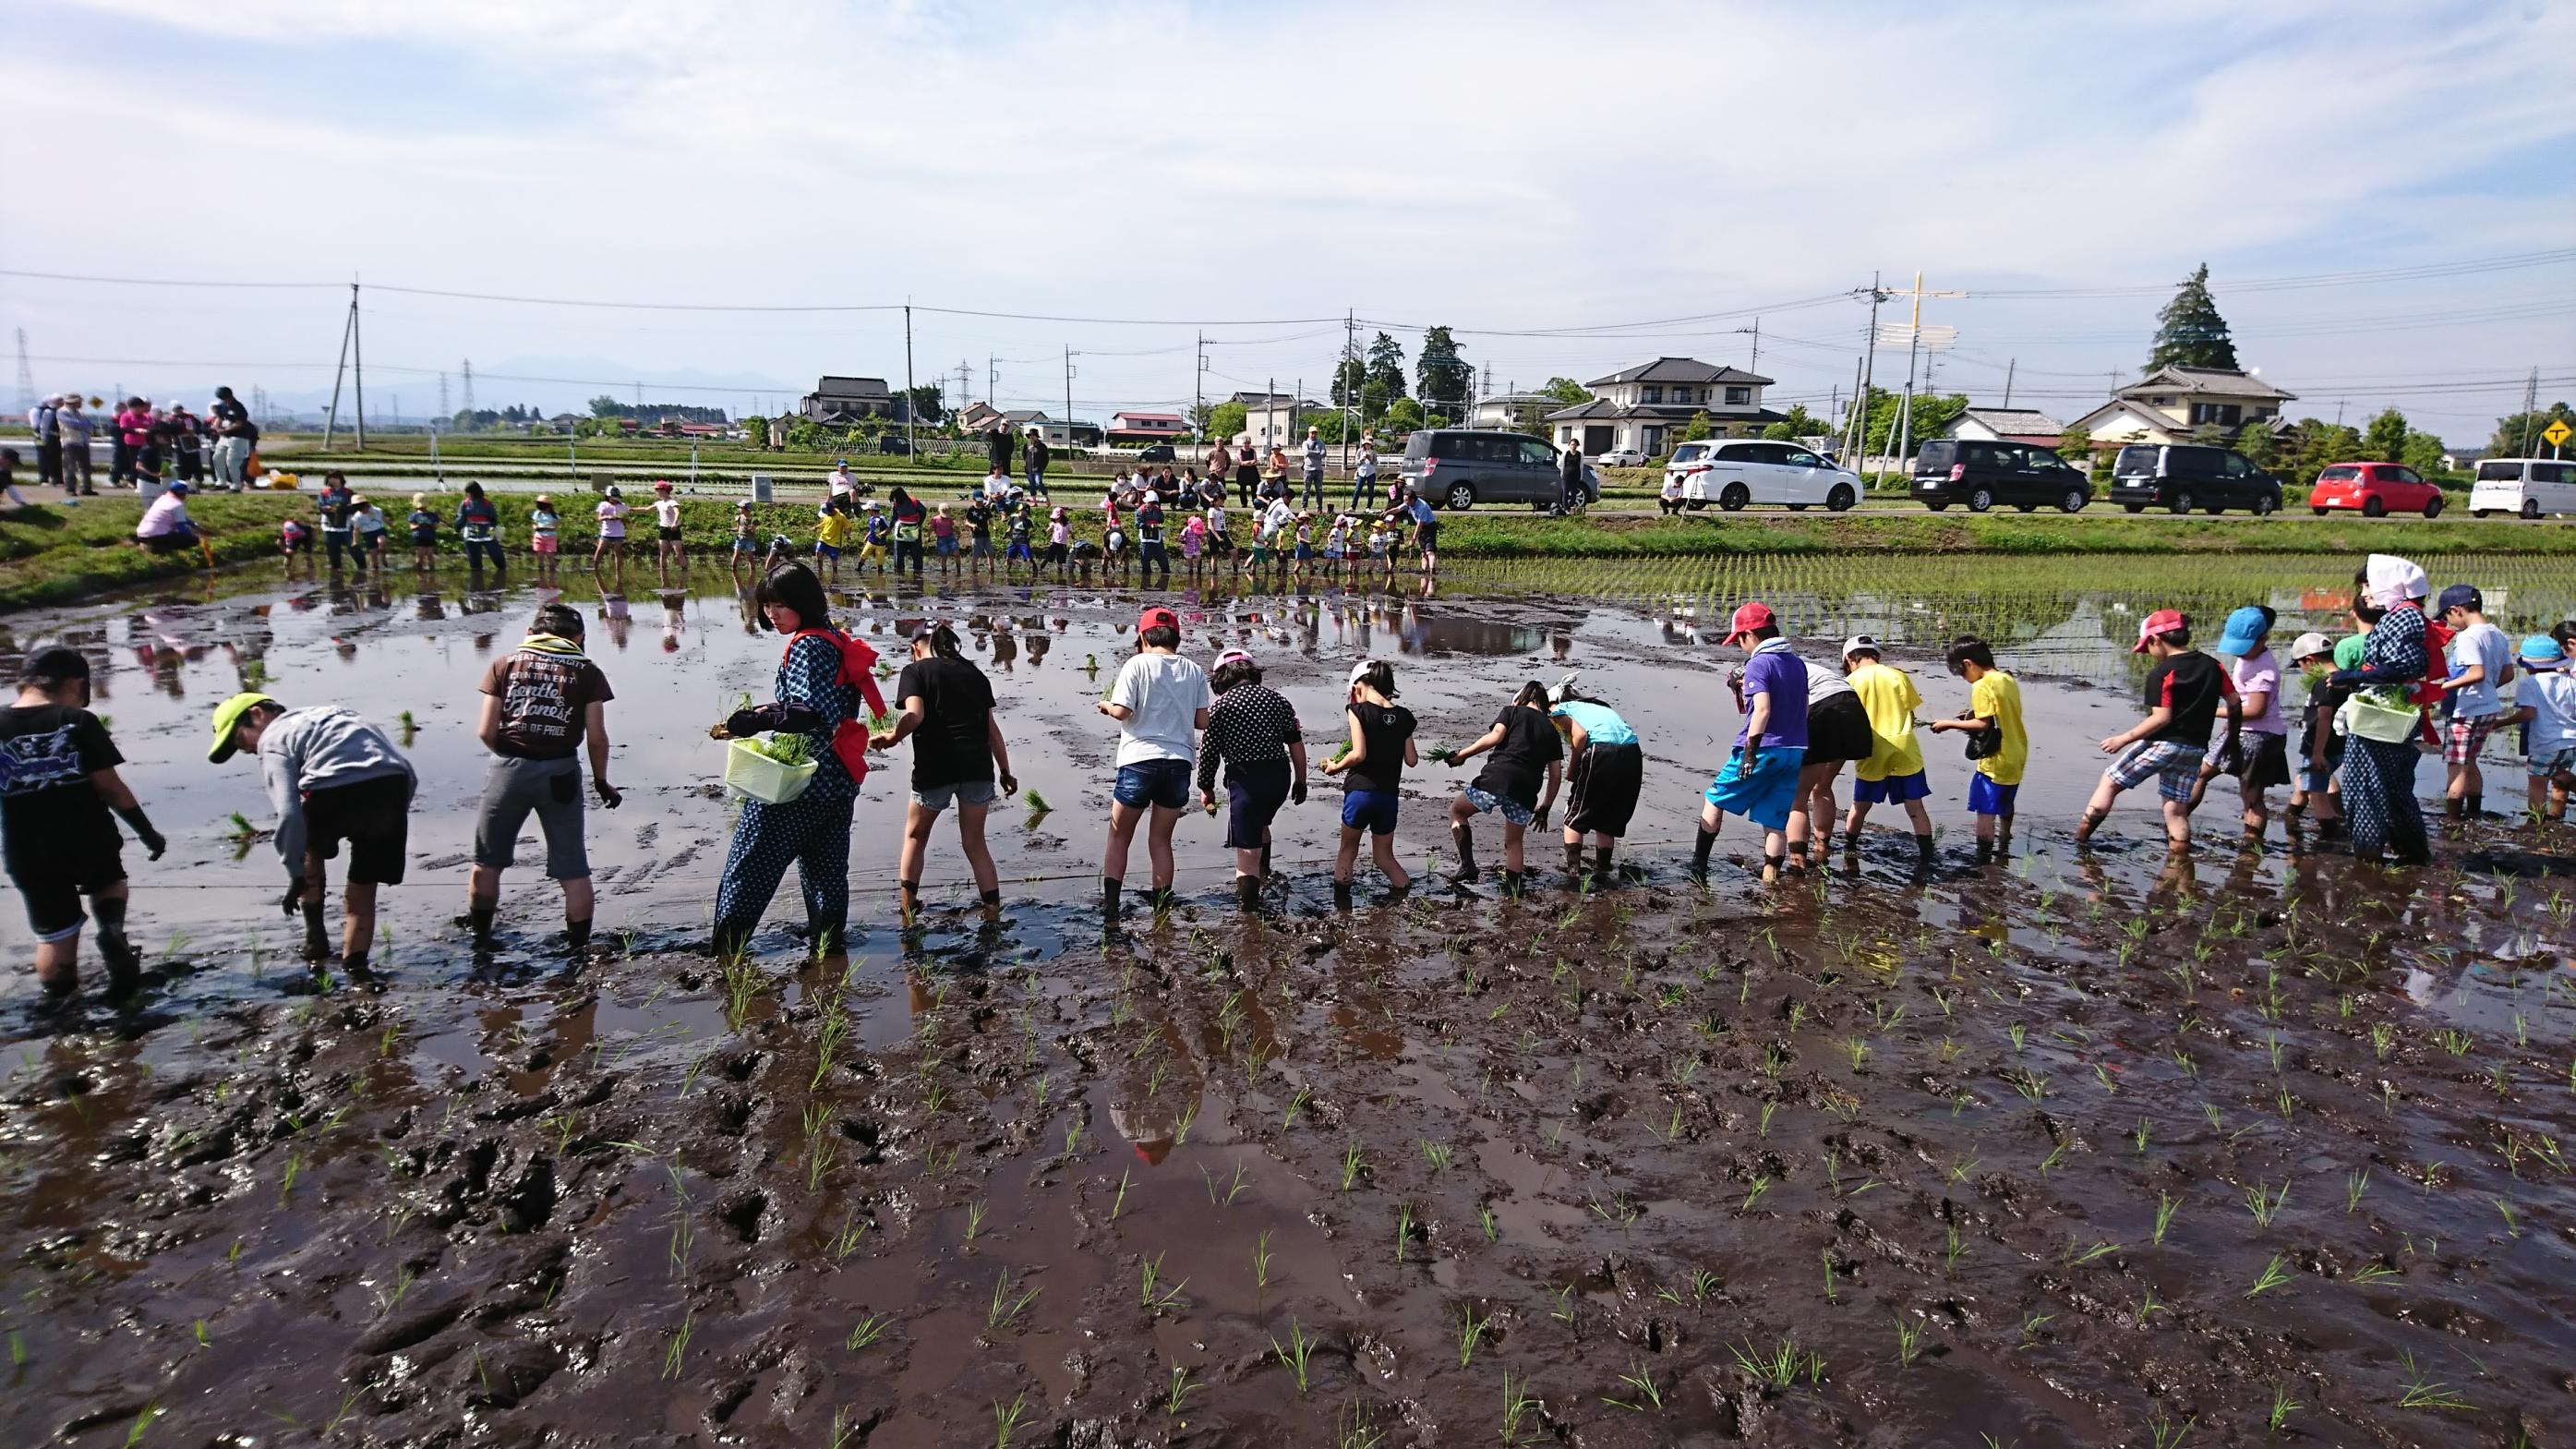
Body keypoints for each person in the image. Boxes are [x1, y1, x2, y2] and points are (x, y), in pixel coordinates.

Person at [710, 562, 887, 956]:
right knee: (826, 870)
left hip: (798, 780)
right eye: (767, 605)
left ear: (803, 603)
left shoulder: (808, 644)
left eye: (779, 605)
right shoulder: (834, 638)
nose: (771, 614)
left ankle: (726, 952)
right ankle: (828, 951)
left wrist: (756, 719)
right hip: (839, 778)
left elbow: (810, 713)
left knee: (752, 863)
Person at [209, 691, 415, 971]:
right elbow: (404, 770)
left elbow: (289, 812)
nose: (246, 750)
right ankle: (356, 969)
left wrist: (294, 873)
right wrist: (393, 817)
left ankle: (315, 940)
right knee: (362, 890)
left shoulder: (272, 738)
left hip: (334, 789)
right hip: (391, 787)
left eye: (240, 739)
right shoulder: (338, 714)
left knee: (308, 847)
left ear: (258, 714)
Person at [5, 648, 166, 1000]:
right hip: (87, 835)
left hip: (27, 848)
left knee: (54, 932)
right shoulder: (77, 721)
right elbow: (109, 787)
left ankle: (61, 1005)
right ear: (77, 684)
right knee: (110, 883)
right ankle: (111, 930)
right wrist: (147, 832)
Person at [468, 603, 622, 949]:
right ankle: (578, 948)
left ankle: (480, 940)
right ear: (579, 638)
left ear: (530, 634)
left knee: (487, 862)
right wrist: (601, 781)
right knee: (573, 867)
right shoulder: (588, 673)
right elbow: (596, 736)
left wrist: (510, 758)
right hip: (561, 773)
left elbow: (485, 730)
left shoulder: (503, 665)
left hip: (508, 768)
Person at [871, 622, 1017, 924]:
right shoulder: (975, 674)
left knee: (915, 836)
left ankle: (908, 909)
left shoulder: (916, 672)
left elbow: (915, 715)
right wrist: (1005, 771)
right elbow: (992, 730)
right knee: (975, 842)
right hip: (977, 768)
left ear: (915, 648)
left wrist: (892, 738)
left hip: (935, 768)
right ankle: (992, 912)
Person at [2077, 609, 2243, 853]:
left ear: (2156, 640)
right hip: (2195, 748)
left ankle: (2079, 840)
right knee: (2175, 809)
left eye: (2149, 648)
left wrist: (2123, 738)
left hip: (2163, 744)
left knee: (2110, 781)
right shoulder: (2213, 666)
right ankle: (2181, 861)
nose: (2151, 655)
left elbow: (2161, 719)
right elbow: (2235, 702)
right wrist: (2233, 739)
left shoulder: (2163, 673)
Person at [1097, 606, 1211, 921]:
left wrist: (1106, 706)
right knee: (1161, 840)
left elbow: (1123, 711)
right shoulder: (1194, 670)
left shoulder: (1136, 665)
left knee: (1119, 835)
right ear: (1176, 638)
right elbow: (1203, 721)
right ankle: (1162, 909)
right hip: (1178, 764)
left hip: (1139, 760)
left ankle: (1110, 910)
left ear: (1143, 637)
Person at [2326, 557, 2435, 864]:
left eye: (2369, 585)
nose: (2365, 593)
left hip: (2383, 714)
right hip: (2391, 710)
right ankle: (2412, 853)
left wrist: (2354, 676)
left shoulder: (2402, 617)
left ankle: (2369, 857)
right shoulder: (2401, 614)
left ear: (2392, 584)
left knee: (2366, 786)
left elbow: (2403, 666)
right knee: (2394, 787)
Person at [1694, 602, 1808, 884]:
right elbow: (1801, 707)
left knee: (1714, 798)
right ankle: (1770, 879)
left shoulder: (1758, 662)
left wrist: (1749, 752)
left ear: (1750, 634)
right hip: (1794, 750)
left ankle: (1698, 867)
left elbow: (1764, 709)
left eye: (1739, 640)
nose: (1740, 646)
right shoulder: (1797, 663)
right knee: (1774, 818)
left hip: (1764, 748)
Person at [1195, 649, 1306, 909]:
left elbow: (1208, 752)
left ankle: (1248, 914)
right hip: (1279, 777)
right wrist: (1301, 781)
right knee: (1261, 823)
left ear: (1221, 678)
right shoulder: (1278, 700)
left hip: (1246, 782)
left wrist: (1206, 787)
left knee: (1246, 852)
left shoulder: (1221, 706)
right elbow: (1296, 744)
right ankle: (1264, 876)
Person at [1444, 680, 1563, 896]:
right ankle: (1513, 892)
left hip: (1497, 778)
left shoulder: (1511, 712)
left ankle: (1468, 865)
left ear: (1521, 698)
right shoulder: (1552, 731)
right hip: (1527, 791)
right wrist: (1545, 807)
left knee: (1458, 811)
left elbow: (1494, 737)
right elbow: (1556, 776)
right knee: (1514, 842)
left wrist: (1462, 755)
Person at [1318, 659, 1416, 908]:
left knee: (1347, 851)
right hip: (1388, 797)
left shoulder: (1357, 712)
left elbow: (1358, 753)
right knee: (1384, 857)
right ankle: (1404, 900)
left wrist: (1334, 766)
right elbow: (1412, 760)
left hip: (1360, 792)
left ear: (1361, 685)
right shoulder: (1404, 716)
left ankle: (1342, 909)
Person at [2189, 606, 2289, 849]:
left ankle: (2252, 845)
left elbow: (2256, 710)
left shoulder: (2263, 670)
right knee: (2202, 773)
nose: (2240, 653)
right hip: (2243, 731)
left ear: (2263, 639)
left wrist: (2211, 711)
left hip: (2258, 737)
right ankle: (2176, 818)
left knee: (2252, 795)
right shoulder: (2249, 659)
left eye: (2245, 646)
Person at [1840, 634, 1937, 863]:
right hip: (1905, 747)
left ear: (1850, 659)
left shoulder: (1851, 682)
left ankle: (1850, 848)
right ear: (1877, 656)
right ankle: (1927, 856)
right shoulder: (1897, 675)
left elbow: (1848, 720)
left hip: (1872, 748)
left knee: (1860, 806)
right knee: (1915, 808)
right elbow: (1911, 715)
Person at [1927, 637, 2027, 859]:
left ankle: (1984, 858)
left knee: (1985, 811)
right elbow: (2000, 714)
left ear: (1969, 663)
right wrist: (1968, 716)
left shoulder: (1982, 685)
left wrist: (1949, 723)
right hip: (2017, 751)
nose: (1965, 679)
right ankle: (2005, 839)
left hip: (1996, 759)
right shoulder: (2007, 679)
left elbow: (1983, 723)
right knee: (2006, 800)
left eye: (1962, 673)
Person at [1788, 646, 1871, 867]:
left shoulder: (1768, 670)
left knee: (1798, 794)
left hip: (1823, 707)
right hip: (1851, 707)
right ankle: (1821, 846)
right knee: (1822, 785)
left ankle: (1798, 861)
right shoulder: (1807, 667)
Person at [2436, 583, 2510, 822]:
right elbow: (2507, 675)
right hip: (2488, 708)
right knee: (2470, 762)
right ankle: (2474, 812)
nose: (2449, 622)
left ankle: (2453, 820)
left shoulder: (2468, 637)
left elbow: (2476, 673)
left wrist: (2439, 689)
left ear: (2457, 610)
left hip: (2465, 710)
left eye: (2447, 616)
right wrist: (2488, 688)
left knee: (2456, 766)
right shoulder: (2496, 633)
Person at [2282, 631, 2347, 843]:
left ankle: (2332, 838)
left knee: (2316, 793)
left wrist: (2317, 753)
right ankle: (2291, 822)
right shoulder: (2346, 678)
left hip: (2321, 749)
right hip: (2339, 745)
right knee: (2303, 783)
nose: (2301, 670)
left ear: (2309, 660)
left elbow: (2323, 718)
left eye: (2300, 664)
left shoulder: (2323, 684)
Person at [2506, 634, 2576, 825]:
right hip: (2571, 743)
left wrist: (2499, 723)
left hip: (2544, 744)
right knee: (2561, 774)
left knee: (2537, 783)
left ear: (2528, 666)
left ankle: (2535, 822)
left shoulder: (2530, 684)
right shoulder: (2570, 681)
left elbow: (2528, 713)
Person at [133, 481, 205, 556]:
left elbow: (180, 517)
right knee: (193, 540)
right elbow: (181, 528)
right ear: (182, 494)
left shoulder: (162, 499)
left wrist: (193, 524)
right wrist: (195, 536)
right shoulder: (177, 504)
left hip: (142, 534)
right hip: (157, 536)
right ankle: (166, 550)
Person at [209, 386, 256, 491]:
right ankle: (221, 482)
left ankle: (236, 485)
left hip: (238, 437)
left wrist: (226, 430)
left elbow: (239, 423)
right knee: (217, 457)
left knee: (232, 461)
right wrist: (216, 426)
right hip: (224, 437)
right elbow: (220, 418)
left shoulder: (238, 407)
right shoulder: (222, 406)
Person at [56, 396, 95, 496]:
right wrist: (83, 425)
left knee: (85, 467)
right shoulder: (62, 412)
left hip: (83, 442)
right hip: (70, 441)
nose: (81, 404)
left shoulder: (80, 413)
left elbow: (90, 425)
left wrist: (83, 425)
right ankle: (70, 489)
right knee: (70, 467)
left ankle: (86, 488)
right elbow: (71, 424)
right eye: (79, 402)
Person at [650, 480, 686, 585]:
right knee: (663, 553)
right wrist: (631, 509)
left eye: (657, 489)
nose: (656, 491)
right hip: (664, 529)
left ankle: (684, 573)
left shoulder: (672, 502)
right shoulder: (659, 503)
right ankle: (664, 578)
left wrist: (674, 523)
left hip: (673, 529)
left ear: (664, 490)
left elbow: (677, 512)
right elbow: (647, 509)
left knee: (678, 552)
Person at [889, 486, 928, 579]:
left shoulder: (908, 502)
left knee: (900, 554)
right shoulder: (911, 502)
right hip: (912, 530)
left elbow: (894, 517)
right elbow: (923, 512)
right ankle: (918, 576)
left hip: (903, 532)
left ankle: (899, 575)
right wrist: (919, 523)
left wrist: (890, 527)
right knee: (916, 554)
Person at [593, 485, 630, 581]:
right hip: (606, 533)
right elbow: (599, 518)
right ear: (608, 497)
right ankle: (595, 567)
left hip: (618, 533)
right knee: (600, 550)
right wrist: (608, 517)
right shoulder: (603, 505)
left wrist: (622, 518)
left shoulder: (622, 506)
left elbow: (627, 520)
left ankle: (618, 570)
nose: (615, 500)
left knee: (618, 552)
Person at [813, 496, 853, 583]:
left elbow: (849, 526)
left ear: (832, 510)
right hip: (823, 538)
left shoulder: (841, 517)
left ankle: (835, 573)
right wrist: (817, 527)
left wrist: (848, 534)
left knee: (834, 558)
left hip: (834, 541)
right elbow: (824, 523)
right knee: (818, 552)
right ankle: (820, 570)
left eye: (828, 513)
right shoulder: (827, 515)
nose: (827, 515)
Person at [1137, 489, 1170, 587]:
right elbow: (1138, 524)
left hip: (1156, 537)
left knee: (1162, 558)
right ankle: (1146, 580)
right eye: (1150, 503)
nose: (1152, 505)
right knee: (1145, 558)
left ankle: (1165, 576)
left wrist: (1160, 525)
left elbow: (1161, 520)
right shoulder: (1140, 511)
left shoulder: (1158, 510)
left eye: (1154, 503)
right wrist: (1149, 526)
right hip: (1145, 538)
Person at [29, 394, 62, 493]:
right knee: (42, 458)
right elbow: (36, 426)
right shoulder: (36, 411)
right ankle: (44, 479)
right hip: (41, 438)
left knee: (53, 458)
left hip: (50, 439)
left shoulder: (52, 411)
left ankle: (55, 478)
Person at [530, 493, 562, 583]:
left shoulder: (553, 515)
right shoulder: (537, 513)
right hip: (539, 536)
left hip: (550, 536)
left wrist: (551, 528)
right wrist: (535, 527)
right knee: (539, 556)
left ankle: (553, 573)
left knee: (549, 555)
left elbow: (557, 524)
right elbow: (534, 523)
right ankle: (541, 575)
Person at [353, 494, 391, 571]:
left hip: (379, 531)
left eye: (365, 508)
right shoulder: (357, 517)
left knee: (381, 542)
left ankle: (383, 558)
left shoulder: (377, 510)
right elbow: (356, 529)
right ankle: (375, 571)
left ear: (367, 505)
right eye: (361, 510)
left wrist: (390, 524)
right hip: (368, 535)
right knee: (373, 556)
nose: (364, 511)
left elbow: (384, 518)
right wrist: (355, 541)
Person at [1408, 491, 1440, 575]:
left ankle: (1432, 570)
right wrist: (1388, 512)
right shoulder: (1409, 503)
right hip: (1422, 529)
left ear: (1412, 500)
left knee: (1429, 551)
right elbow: (1399, 508)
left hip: (1429, 527)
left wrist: (1413, 539)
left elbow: (1419, 524)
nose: (1405, 503)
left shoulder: (1422, 507)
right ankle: (1424, 570)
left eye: (1406, 500)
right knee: (1423, 553)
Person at [856, 500, 892, 574]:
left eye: (868, 510)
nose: (867, 512)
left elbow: (888, 529)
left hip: (880, 544)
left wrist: (882, 533)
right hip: (871, 542)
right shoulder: (871, 519)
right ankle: (859, 568)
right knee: (863, 555)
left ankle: (880, 574)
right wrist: (867, 536)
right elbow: (872, 530)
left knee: (879, 561)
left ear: (871, 510)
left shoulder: (882, 518)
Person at [407, 493, 441, 571]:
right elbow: (411, 527)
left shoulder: (432, 515)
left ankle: (432, 571)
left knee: (430, 556)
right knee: (420, 556)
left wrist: (430, 525)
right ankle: (420, 573)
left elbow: (436, 526)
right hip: (419, 538)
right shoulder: (414, 516)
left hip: (430, 537)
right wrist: (419, 526)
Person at [1555, 442, 1585, 516]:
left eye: (1575, 444)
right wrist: (1564, 469)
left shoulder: (1580, 455)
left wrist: (1580, 476)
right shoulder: (1566, 454)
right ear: (1569, 445)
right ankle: (1566, 509)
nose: (1573, 446)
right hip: (1566, 476)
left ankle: (1571, 507)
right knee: (1565, 492)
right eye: (1572, 444)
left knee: (1574, 493)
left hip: (1575, 476)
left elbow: (1581, 466)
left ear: (1577, 445)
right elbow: (1559, 464)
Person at [1302, 426, 1328, 511]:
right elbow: (1306, 452)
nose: (1313, 435)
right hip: (1308, 469)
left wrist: (1312, 453)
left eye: (1315, 433)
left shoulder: (1321, 443)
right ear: (1309, 433)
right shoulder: (1305, 443)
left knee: (1319, 490)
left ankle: (1319, 507)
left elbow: (1323, 454)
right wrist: (1317, 453)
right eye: (1312, 433)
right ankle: (1304, 507)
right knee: (1306, 490)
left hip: (1318, 470)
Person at [1352, 434, 1379, 512]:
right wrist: (1362, 458)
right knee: (1357, 490)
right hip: (1361, 472)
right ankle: (1353, 506)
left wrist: (1370, 459)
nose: (1368, 445)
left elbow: (1375, 463)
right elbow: (1356, 462)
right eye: (1367, 444)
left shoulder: (1373, 452)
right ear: (1364, 444)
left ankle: (1368, 507)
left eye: (1369, 444)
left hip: (1371, 473)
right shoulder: (1360, 451)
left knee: (1371, 491)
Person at [1044, 506, 1072, 582]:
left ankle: (1060, 574)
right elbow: (1048, 530)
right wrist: (1046, 532)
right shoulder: (1054, 524)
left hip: (1062, 544)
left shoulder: (1067, 525)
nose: (1056, 519)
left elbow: (1070, 532)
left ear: (1062, 517)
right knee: (1048, 558)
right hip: (1054, 543)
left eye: (1058, 517)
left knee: (1060, 561)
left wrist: (1070, 536)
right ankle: (1040, 569)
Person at [930, 502, 959, 575]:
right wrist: (928, 536)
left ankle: (959, 570)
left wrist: (958, 532)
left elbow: (952, 527)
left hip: (951, 537)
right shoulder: (935, 519)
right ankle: (944, 571)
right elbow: (930, 528)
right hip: (941, 539)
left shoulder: (949, 519)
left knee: (957, 554)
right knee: (944, 556)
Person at [1023, 429, 1052, 501]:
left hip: (1038, 469)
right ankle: (1034, 501)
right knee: (1032, 485)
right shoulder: (1026, 445)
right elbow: (1024, 455)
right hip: (1029, 469)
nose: (1032, 437)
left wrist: (1042, 467)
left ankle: (1047, 498)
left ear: (1036, 436)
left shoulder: (1042, 446)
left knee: (1039, 483)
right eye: (1030, 436)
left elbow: (1046, 458)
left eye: (1033, 435)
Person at [1234, 443, 1261, 509]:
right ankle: (1244, 503)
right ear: (1242, 444)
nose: (1246, 445)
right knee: (1242, 488)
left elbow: (1255, 460)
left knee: (1254, 488)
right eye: (1245, 443)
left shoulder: (1253, 451)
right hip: (1243, 472)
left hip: (1252, 471)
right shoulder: (1239, 451)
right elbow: (1241, 462)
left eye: (1248, 443)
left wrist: (1246, 463)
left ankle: (1255, 503)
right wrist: (1250, 462)